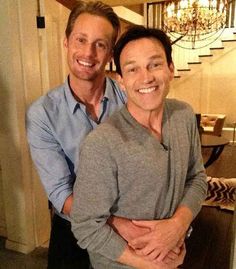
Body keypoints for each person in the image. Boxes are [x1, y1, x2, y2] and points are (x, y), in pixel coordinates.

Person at [71, 25, 208, 269]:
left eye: (154, 64)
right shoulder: (102, 143)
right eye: (133, 69)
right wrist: (152, 265)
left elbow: (196, 177)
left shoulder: (184, 115)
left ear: (170, 69)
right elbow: (86, 226)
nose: (146, 77)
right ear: (121, 81)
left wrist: (178, 226)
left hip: (173, 252)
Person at [26, 1, 126, 268]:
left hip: (132, 225)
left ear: (110, 53)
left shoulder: (131, 100)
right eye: (81, 40)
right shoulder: (42, 114)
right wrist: (122, 225)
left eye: (100, 44)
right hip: (73, 233)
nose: (88, 52)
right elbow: (61, 193)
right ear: (66, 42)